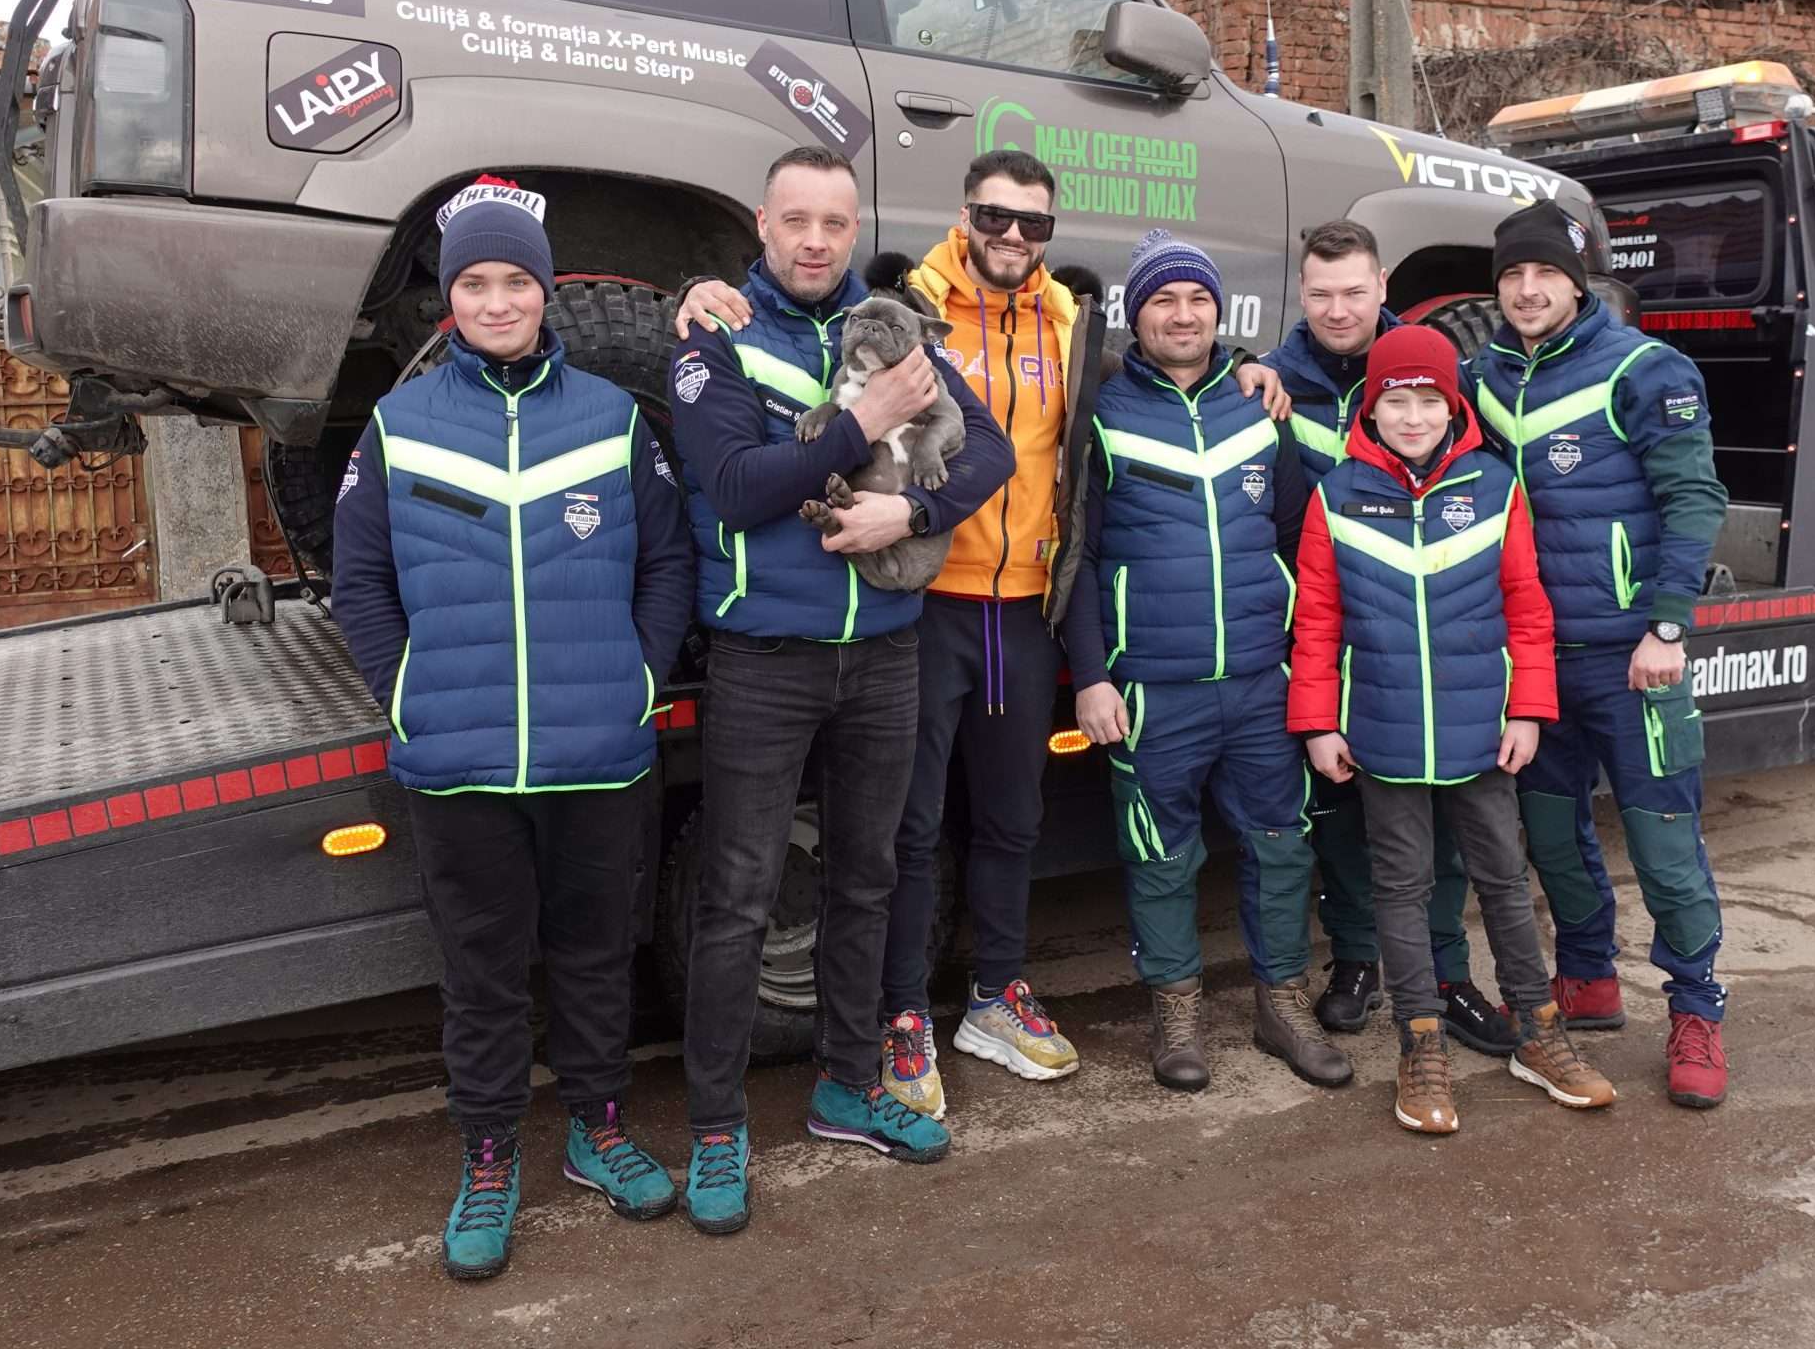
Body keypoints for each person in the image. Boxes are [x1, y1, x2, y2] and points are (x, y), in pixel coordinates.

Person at [675, 156, 1288, 1124]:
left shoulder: (1070, 319)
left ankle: (996, 992)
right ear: (965, 218)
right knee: (908, 832)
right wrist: (696, 289)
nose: (1012, 237)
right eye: (995, 218)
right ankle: (900, 1016)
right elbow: (778, 374)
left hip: (1028, 603)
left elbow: (1150, 365)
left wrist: (1255, 363)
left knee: (1012, 819)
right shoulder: (907, 303)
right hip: (927, 606)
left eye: (1033, 224)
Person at [330, 177, 697, 1282]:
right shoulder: (399, 426)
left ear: (547, 291)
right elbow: (359, 584)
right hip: (460, 762)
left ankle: (597, 1128)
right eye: (476, 283)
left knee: (595, 958)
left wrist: (640, 677)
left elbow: (669, 561)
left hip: (598, 752)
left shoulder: (613, 418)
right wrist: (408, 693)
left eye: (516, 281)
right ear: (450, 299)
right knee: (483, 974)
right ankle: (490, 1154)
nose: (497, 302)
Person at [668, 145, 1015, 1233]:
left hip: (887, 652)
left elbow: (991, 452)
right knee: (736, 899)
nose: (815, 241)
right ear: (761, 226)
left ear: (855, 229)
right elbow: (734, 489)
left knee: (867, 878)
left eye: (834, 222)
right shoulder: (716, 337)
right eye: (796, 220)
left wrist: (910, 512)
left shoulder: (894, 329)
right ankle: (715, 1125)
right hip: (765, 658)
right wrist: (865, 425)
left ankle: (849, 1083)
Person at [1286, 323, 1616, 1134]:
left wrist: (1529, 709)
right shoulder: (1336, 494)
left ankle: (1537, 1031)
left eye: (1429, 400)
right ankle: (1421, 1043)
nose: (1413, 416)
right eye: (1396, 400)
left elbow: (1527, 607)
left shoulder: (1496, 487)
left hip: (1483, 732)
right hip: (1382, 732)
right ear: (1371, 408)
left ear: (1454, 407)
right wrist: (1319, 723)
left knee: (1503, 880)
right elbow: (1317, 621)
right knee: (1400, 886)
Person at [1061, 229, 1350, 1094]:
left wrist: (1306, 664)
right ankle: (1176, 1008)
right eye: (1163, 300)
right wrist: (1091, 674)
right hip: (1153, 688)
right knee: (1160, 854)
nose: (1182, 315)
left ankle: (1282, 1003)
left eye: (1197, 299)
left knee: (1282, 845)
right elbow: (1078, 556)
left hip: (1262, 681)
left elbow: (1301, 542)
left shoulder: (1260, 407)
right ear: (1136, 315)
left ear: (1219, 313)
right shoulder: (1103, 415)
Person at [1457, 201, 1733, 1108]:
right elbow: (1387, 368)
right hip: (1535, 665)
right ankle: (1587, 978)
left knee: (1663, 842)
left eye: (1546, 273)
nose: (1527, 289)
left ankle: (1696, 1007)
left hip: (1631, 660)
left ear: (1579, 284)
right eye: (1512, 274)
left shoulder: (1646, 370)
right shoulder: (1483, 377)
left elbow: (1694, 498)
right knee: (1551, 838)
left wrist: (1668, 626)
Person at [1261, 222, 1519, 1058]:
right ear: (1302, 295)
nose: (1338, 309)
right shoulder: (1270, 381)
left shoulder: (1436, 371)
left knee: (1438, 825)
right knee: (1342, 816)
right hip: (1323, 639)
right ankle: (1356, 959)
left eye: (1354, 291)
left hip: (1426, 646)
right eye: (1321, 293)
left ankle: (1446, 976)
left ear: (1382, 287)